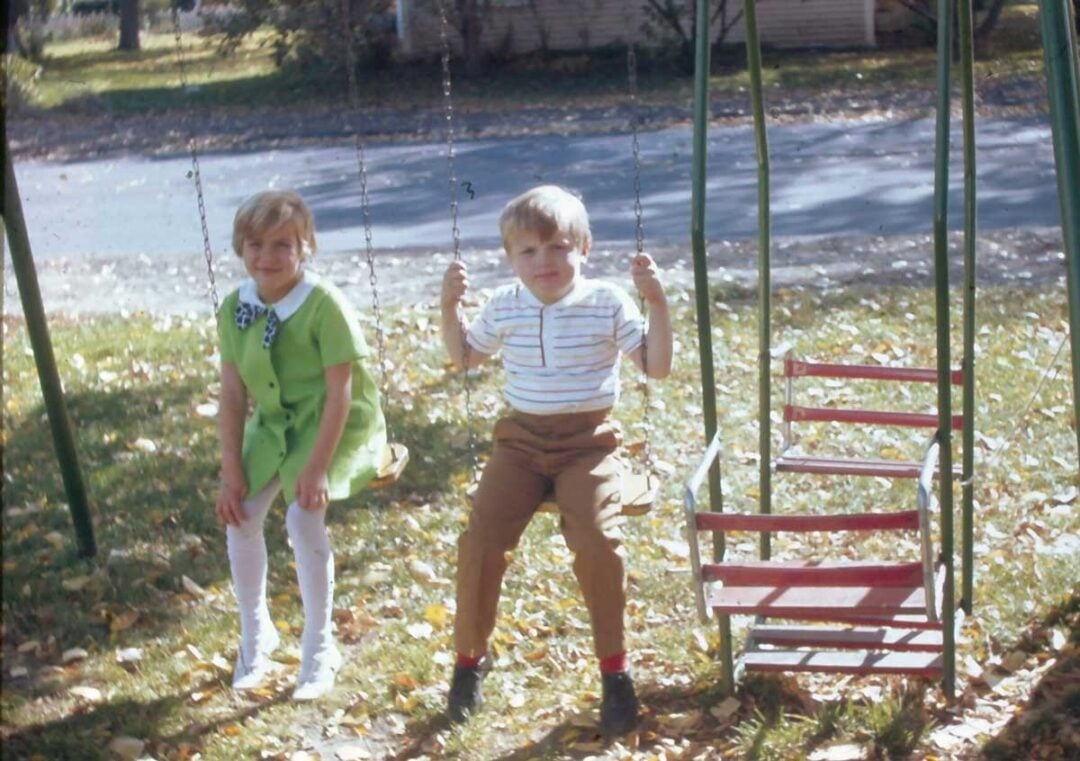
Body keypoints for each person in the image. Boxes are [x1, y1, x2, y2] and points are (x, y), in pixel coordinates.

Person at [439, 185, 673, 735]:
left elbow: (657, 366)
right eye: (528, 251)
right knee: (480, 541)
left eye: (559, 247)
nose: (544, 261)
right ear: (510, 258)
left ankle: (615, 670)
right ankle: (469, 661)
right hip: (519, 444)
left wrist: (658, 304)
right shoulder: (504, 305)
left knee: (596, 542)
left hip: (587, 444)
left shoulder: (607, 302)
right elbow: (465, 356)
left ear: (584, 248)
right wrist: (449, 307)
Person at [215, 190, 386, 701]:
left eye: (282, 245)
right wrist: (231, 469)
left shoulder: (323, 305)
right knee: (241, 515)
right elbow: (232, 394)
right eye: (256, 245)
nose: (267, 257)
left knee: (302, 517)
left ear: (306, 247)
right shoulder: (235, 307)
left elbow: (341, 393)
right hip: (274, 425)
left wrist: (316, 469)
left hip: (335, 425)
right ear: (241, 248)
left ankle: (319, 646)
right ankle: (256, 634)